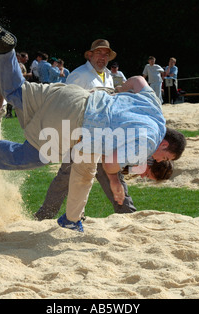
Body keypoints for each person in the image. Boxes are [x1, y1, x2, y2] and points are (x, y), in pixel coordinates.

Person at [0, 19, 186, 232]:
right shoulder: (149, 141)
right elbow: (110, 163)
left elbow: (138, 80)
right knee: (31, 156)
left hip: (70, 97)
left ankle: (3, 51)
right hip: (74, 124)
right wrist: (114, 182)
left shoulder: (156, 109)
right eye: (165, 157)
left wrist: (119, 92)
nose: (158, 159)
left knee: (16, 93)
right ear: (165, 144)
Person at [35, 38, 137, 222]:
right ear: (90, 55)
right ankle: (44, 217)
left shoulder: (107, 75)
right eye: (99, 53)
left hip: (103, 137)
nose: (103, 57)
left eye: (106, 54)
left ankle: (127, 215)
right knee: (66, 178)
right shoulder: (79, 75)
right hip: (80, 136)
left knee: (111, 175)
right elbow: (66, 103)